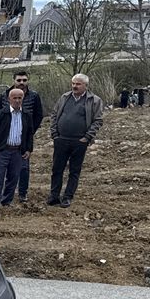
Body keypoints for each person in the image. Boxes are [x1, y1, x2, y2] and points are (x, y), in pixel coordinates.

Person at [48, 73, 104, 208]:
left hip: (79, 142)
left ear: (86, 85)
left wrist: (87, 138)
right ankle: (54, 196)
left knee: (74, 170)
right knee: (57, 169)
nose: (74, 86)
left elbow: (98, 120)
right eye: (73, 83)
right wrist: (55, 134)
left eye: (78, 84)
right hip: (61, 139)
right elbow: (54, 115)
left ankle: (67, 197)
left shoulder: (94, 100)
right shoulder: (64, 97)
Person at [0, 71, 44, 203]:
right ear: (14, 81)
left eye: (24, 80)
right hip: (5, 139)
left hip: (23, 138)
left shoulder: (34, 96)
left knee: (23, 167)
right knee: (1, 171)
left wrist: (30, 131)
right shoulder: (5, 95)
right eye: (19, 80)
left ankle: (22, 193)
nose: (22, 83)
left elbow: (39, 115)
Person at [0, 88, 33, 208]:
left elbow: (29, 134)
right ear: (9, 99)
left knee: (13, 178)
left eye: (20, 98)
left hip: (18, 151)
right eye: (14, 98)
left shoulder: (27, 115)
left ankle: (7, 201)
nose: (17, 100)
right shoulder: (1, 114)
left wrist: (28, 149)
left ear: (23, 99)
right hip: (2, 151)